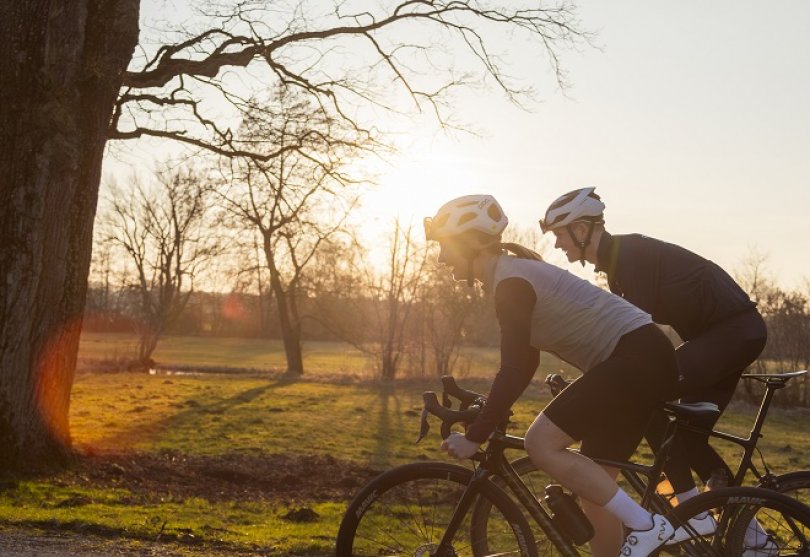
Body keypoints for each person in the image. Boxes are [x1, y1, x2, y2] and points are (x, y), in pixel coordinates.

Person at [426, 194, 679, 557]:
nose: (441, 258)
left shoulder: (511, 282)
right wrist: (486, 415)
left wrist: (476, 434)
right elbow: (525, 365)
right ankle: (637, 530)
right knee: (596, 494)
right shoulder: (511, 276)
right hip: (641, 359)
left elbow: (514, 369)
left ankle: (647, 525)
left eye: (445, 247)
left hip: (636, 359)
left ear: (469, 244)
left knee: (540, 443)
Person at [539, 186, 771, 554]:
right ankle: (756, 538)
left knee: (643, 387)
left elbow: (634, 341)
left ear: (583, 229)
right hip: (728, 334)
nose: (557, 245)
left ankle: (692, 512)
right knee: (688, 440)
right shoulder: (619, 264)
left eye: (560, 235)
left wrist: (598, 385)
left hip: (732, 331)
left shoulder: (631, 257)